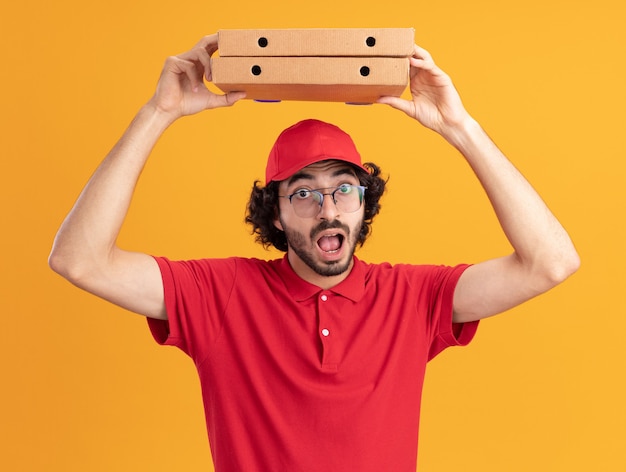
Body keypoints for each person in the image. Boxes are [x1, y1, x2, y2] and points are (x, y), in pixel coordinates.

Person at [49, 34, 580, 471]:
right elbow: (81, 259)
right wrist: (157, 112)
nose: (327, 208)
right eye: (302, 193)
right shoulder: (219, 294)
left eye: (343, 188)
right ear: (275, 213)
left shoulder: (414, 297)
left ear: (363, 203)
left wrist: (461, 128)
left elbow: (549, 262)